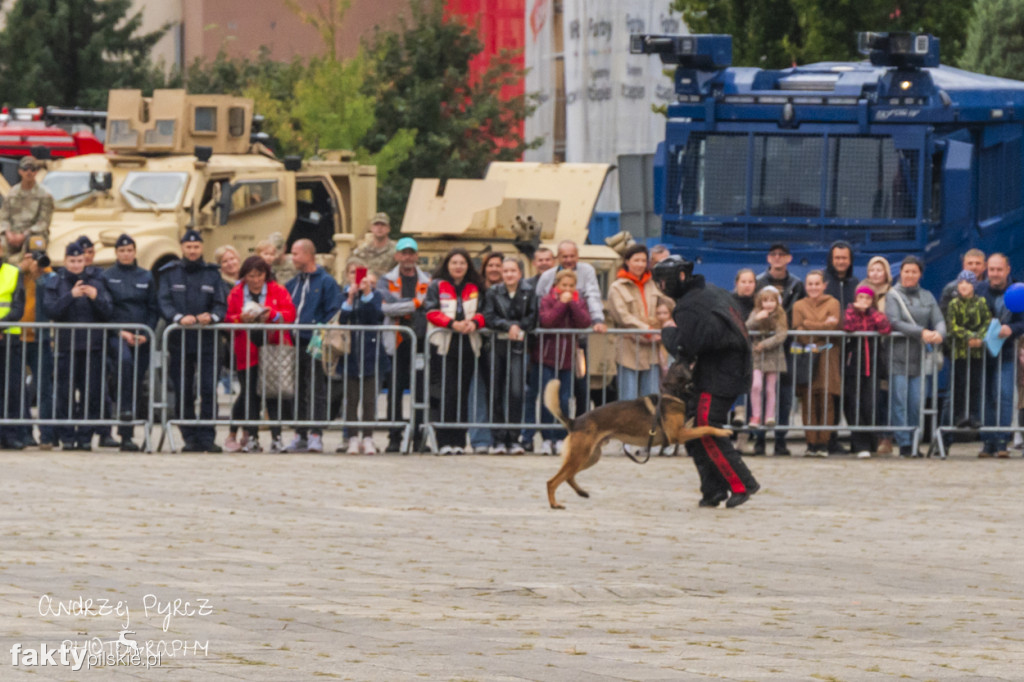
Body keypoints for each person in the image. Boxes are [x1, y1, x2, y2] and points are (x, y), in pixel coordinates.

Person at [654, 255, 760, 508]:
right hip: (729, 371)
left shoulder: (689, 305)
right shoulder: (712, 292)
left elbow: (687, 346)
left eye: (662, 281)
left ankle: (741, 483)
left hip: (718, 375)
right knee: (693, 430)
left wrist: (668, 332)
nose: (661, 286)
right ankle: (712, 490)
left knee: (705, 424)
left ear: (678, 278)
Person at [158, 230, 229, 453]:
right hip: (180, 339)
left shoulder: (212, 274)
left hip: (207, 339)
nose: (192, 251)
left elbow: (220, 303)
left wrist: (213, 317)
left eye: (196, 247)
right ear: (182, 248)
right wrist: (178, 318)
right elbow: (164, 301)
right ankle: (189, 437)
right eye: (188, 247)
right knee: (183, 389)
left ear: (201, 248)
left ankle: (208, 437)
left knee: (208, 388)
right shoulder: (170, 273)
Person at [41, 241, 113, 451]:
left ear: (85, 260)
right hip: (66, 348)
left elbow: (108, 311)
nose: (75, 265)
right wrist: (70, 296)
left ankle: (85, 437)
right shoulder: (56, 282)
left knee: (92, 395)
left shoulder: (97, 281)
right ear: (65, 261)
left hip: (93, 348)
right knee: (65, 395)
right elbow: (51, 310)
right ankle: (67, 437)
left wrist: (95, 297)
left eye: (79, 260)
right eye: (72, 261)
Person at [224, 256, 296, 453]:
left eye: (259, 275)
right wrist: (240, 318)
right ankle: (252, 437)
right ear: (244, 276)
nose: (255, 280)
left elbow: (290, 314)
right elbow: (227, 318)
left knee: (274, 394)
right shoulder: (236, 293)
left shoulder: (278, 290)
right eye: (251, 276)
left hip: (273, 348)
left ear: (266, 274)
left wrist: (272, 314)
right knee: (249, 394)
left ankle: (277, 437)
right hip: (246, 350)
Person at [281, 238, 343, 454]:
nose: (292, 257)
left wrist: (321, 330)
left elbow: (334, 310)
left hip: (316, 342)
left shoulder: (326, 282)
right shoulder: (292, 284)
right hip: (294, 341)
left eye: (296, 253)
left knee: (317, 387)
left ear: (309, 255)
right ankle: (299, 433)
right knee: (295, 388)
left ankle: (316, 433)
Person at [424, 248, 486, 454]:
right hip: (444, 345)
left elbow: (484, 311)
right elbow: (431, 311)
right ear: (447, 265)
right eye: (454, 263)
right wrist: (452, 324)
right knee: (445, 393)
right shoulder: (436, 285)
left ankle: (459, 441)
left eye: (462, 263)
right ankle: (444, 441)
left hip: (468, 344)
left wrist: (474, 323)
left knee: (463, 394)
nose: (458, 266)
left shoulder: (475, 286)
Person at [100, 234, 159, 451]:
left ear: (135, 252)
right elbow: (106, 308)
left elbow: (154, 307)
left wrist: (147, 332)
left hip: (141, 335)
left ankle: (127, 435)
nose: (126, 254)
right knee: (124, 366)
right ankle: (123, 418)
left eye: (130, 250)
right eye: (122, 250)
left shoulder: (146, 276)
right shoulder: (108, 276)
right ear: (116, 253)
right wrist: (120, 331)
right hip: (118, 335)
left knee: (136, 381)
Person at [536, 240, 607, 418]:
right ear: (558, 258)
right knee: (549, 389)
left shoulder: (587, 271)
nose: (568, 260)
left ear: (578, 256)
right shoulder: (547, 276)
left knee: (581, 385)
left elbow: (592, 295)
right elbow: (540, 302)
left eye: (572, 256)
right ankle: (547, 433)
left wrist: (597, 318)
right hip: (550, 342)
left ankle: (581, 425)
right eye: (564, 256)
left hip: (576, 340)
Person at [885, 256, 945, 457]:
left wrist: (939, 333)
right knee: (899, 401)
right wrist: (922, 332)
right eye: (906, 271)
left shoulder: (927, 296)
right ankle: (903, 443)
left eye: (914, 271)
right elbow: (894, 321)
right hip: (898, 357)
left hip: (920, 359)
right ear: (900, 273)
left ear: (920, 274)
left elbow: (938, 320)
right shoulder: (892, 295)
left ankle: (915, 441)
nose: (910, 275)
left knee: (916, 403)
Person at [378, 237, 431, 452]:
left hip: (420, 341)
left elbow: (430, 306)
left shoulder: (428, 280)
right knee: (395, 390)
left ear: (417, 255)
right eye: (404, 253)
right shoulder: (386, 280)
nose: (408, 257)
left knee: (420, 390)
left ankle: (419, 437)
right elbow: (385, 307)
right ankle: (394, 437)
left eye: (411, 253)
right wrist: (416, 304)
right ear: (397, 255)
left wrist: (402, 306)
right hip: (396, 341)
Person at [753, 242, 805, 456]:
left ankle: (781, 440)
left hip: (785, 346)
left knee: (783, 394)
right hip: (760, 347)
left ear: (789, 258)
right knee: (757, 391)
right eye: (773, 254)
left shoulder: (796, 284)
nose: (777, 258)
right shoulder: (758, 282)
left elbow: (796, 310)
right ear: (768, 258)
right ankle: (759, 440)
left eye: (782, 254)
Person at [483, 257, 537, 454]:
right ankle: (497, 439)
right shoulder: (493, 292)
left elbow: (532, 317)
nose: (509, 275)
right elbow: (489, 316)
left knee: (516, 392)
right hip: (496, 346)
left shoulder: (529, 292)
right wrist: (508, 326)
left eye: (513, 271)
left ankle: (514, 438)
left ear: (520, 273)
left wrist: (519, 327)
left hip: (518, 347)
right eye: (505, 271)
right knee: (495, 391)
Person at [974, 253, 1024, 458]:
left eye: (999, 270)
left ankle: (1002, 441)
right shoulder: (979, 290)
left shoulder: (1018, 291)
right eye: (992, 270)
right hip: (983, 353)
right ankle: (987, 442)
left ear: (1007, 270)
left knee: (1004, 395)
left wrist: (1011, 329)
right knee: (986, 396)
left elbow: (1022, 321)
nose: (995, 274)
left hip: (1006, 353)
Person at [537, 269, 591, 455]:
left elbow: (584, 322)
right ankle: (546, 438)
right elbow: (548, 321)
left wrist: (573, 304)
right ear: (556, 286)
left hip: (568, 358)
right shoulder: (547, 300)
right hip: (547, 356)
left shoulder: (579, 301)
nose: (567, 289)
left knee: (565, 399)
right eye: (564, 285)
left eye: (571, 286)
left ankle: (561, 436)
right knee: (547, 399)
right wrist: (561, 304)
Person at [607, 244, 670, 401]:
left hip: (651, 352)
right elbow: (623, 316)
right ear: (627, 261)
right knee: (628, 400)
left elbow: (667, 306)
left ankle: (649, 427)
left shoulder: (654, 284)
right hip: (628, 350)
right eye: (636, 260)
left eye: (643, 260)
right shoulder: (617, 287)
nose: (640, 264)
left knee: (651, 399)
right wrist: (648, 328)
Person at [792, 270, 841, 457]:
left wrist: (809, 324)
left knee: (827, 399)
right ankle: (810, 443)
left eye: (817, 284)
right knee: (808, 401)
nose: (813, 287)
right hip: (807, 356)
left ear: (824, 285)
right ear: (806, 286)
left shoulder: (833, 303)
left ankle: (823, 443)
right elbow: (799, 332)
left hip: (829, 357)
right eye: (810, 284)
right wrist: (823, 326)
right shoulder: (798, 305)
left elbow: (835, 328)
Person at [338, 268, 385, 455]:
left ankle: (368, 437)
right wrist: (350, 298)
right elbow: (342, 319)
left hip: (371, 355)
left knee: (369, 399)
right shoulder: (344, 295)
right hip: (351, 354)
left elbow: (375, 316)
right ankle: (352, 437)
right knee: (351, 399)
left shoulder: (375, 296)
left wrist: (366, 294)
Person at [842, 285, 892, 457]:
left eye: (867, 298)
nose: (863, 301)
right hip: (854, 365)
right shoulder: (850, 312)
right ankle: (859, 443)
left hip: (873, 367)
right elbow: (848, 326)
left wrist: (869, 312)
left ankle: (871, 443)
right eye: (860, 298)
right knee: (854, 404)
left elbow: (885, 328)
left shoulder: (876, 314)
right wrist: (856, 311)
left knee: (870, 405)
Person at [468, 252, 506, 453]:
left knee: (504, 394)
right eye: (490, 265)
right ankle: (480, 438)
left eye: (498, 265)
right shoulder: (478, 290)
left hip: (505, 349)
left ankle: (504, 437)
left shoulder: (512, 289)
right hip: (480, 346)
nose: (494, 269)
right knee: (479, 392)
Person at [18, 249, 55, 448]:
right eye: (30, 258)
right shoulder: (15, 274)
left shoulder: (47, 276)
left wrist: (40, 272)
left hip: (40, 339)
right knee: (19, 388)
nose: (34, 262)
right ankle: (24, 433)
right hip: (17, 338)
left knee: (44, 389)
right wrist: (21, 270)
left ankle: (46, 435)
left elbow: (54, 286)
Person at [945, 270, 990, 434]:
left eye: (968, 283)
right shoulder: (953, 304)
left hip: (976, 353)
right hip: (960, 352)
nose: (964, 286)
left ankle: (973, 415)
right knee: (959, 384)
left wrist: (979, 337)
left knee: (975, 384)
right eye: (961, 282)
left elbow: (987, 322)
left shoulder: (981, 303)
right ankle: (959, 415)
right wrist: (969, 337)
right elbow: (952, 325)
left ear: (974, 285)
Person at [521, 246, 556, 451]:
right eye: (540, 260)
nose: (544, 263)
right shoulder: (527, 286)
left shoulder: (560, 284)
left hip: (554, 348)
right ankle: (526, 436)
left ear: (553, 261)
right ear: (534, 263)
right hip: (531, 348)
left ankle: (548, 436)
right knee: (529, 394)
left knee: (549, 395)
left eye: (547, 259)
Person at [859, 255, 894, 454]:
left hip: (886, 352)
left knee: (884, 396)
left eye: (879, 270)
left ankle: (885, 437)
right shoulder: (861, 292)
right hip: (865, 351)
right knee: (867, 396)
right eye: (872, 269)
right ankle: (868, 438)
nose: (875, 274)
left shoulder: (893, 293)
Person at [745, 286, 788, 429]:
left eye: (772, 301)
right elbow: (746, 327)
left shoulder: (781, 315)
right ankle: (755, 416)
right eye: (765, 301)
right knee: (756, 385)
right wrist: (757, 319)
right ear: (760, 302)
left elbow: (781, 334)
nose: (768, 304)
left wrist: (765, 344)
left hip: (773, 354)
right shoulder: (756, 312)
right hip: (757, 355)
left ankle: (769, 416)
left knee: (771, 387)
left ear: (777, 302)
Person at [0, 156, 53, 265]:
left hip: (34, 233)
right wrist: (8, 233)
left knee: (36, 247)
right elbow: (3, 217)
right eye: (25, 169)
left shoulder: (45, 195)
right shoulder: (12, 193)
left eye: (32, 169)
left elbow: (43, 222)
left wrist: (24, 235)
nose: (29, 172)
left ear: (36, 172)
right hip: (12, 233)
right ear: (20, 171)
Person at [0, 238, 26, 449]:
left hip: (8, 338)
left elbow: (18, 308)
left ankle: (9, 435)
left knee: (10, 389)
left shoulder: (14, 272)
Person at [939, 249, 986, 315]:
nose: (974, 267)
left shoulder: (990, 287)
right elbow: (944, 315)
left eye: (978, 263)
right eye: (970, 263)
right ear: (964, 266)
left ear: (984, 266)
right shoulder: (950, 289)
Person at [353, 212, 397, 277]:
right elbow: (359, 274)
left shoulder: (396, 250)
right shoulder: (362, 251)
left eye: (383, 225)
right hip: (367, 284)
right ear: (371, 228)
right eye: (376, 225)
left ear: (388, 228)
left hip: (388, 285)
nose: (379, 227)